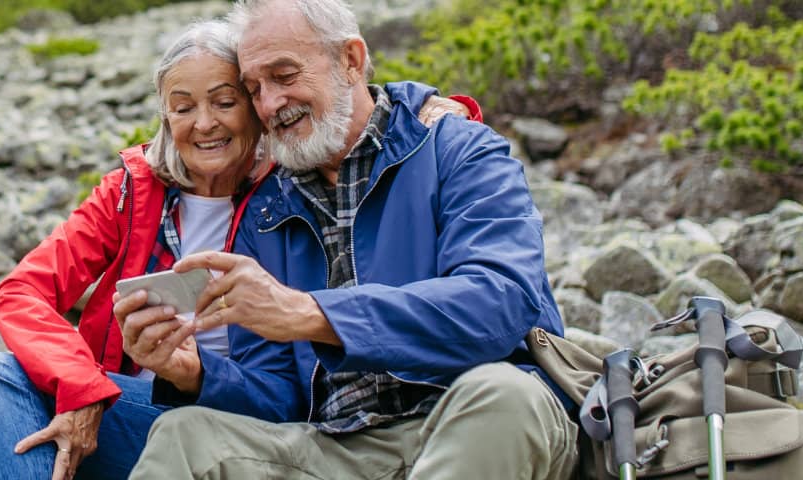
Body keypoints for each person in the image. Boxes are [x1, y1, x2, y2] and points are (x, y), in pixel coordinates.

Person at [0, 20, 480, 480]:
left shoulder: (290, 190)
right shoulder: (132, 192)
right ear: (164, 115)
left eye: (224, 101)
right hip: (140, 403)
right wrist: (82, 386)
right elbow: (21, 292)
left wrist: (440, 104)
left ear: (255, 105)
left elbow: (356, 111)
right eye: (182, 107)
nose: (205, 124)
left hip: (253, 423)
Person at [122, 0, 579, 478]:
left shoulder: (457, 149)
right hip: (342, 448)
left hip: (475, 412)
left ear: (351, 61)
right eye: (255, 88)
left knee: (503, 396)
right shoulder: (266, 210)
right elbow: (278, 398)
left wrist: (313, 315)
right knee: (185, 434)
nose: (270, 103)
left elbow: (502, 303)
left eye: (285, 75)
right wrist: (194, 372)